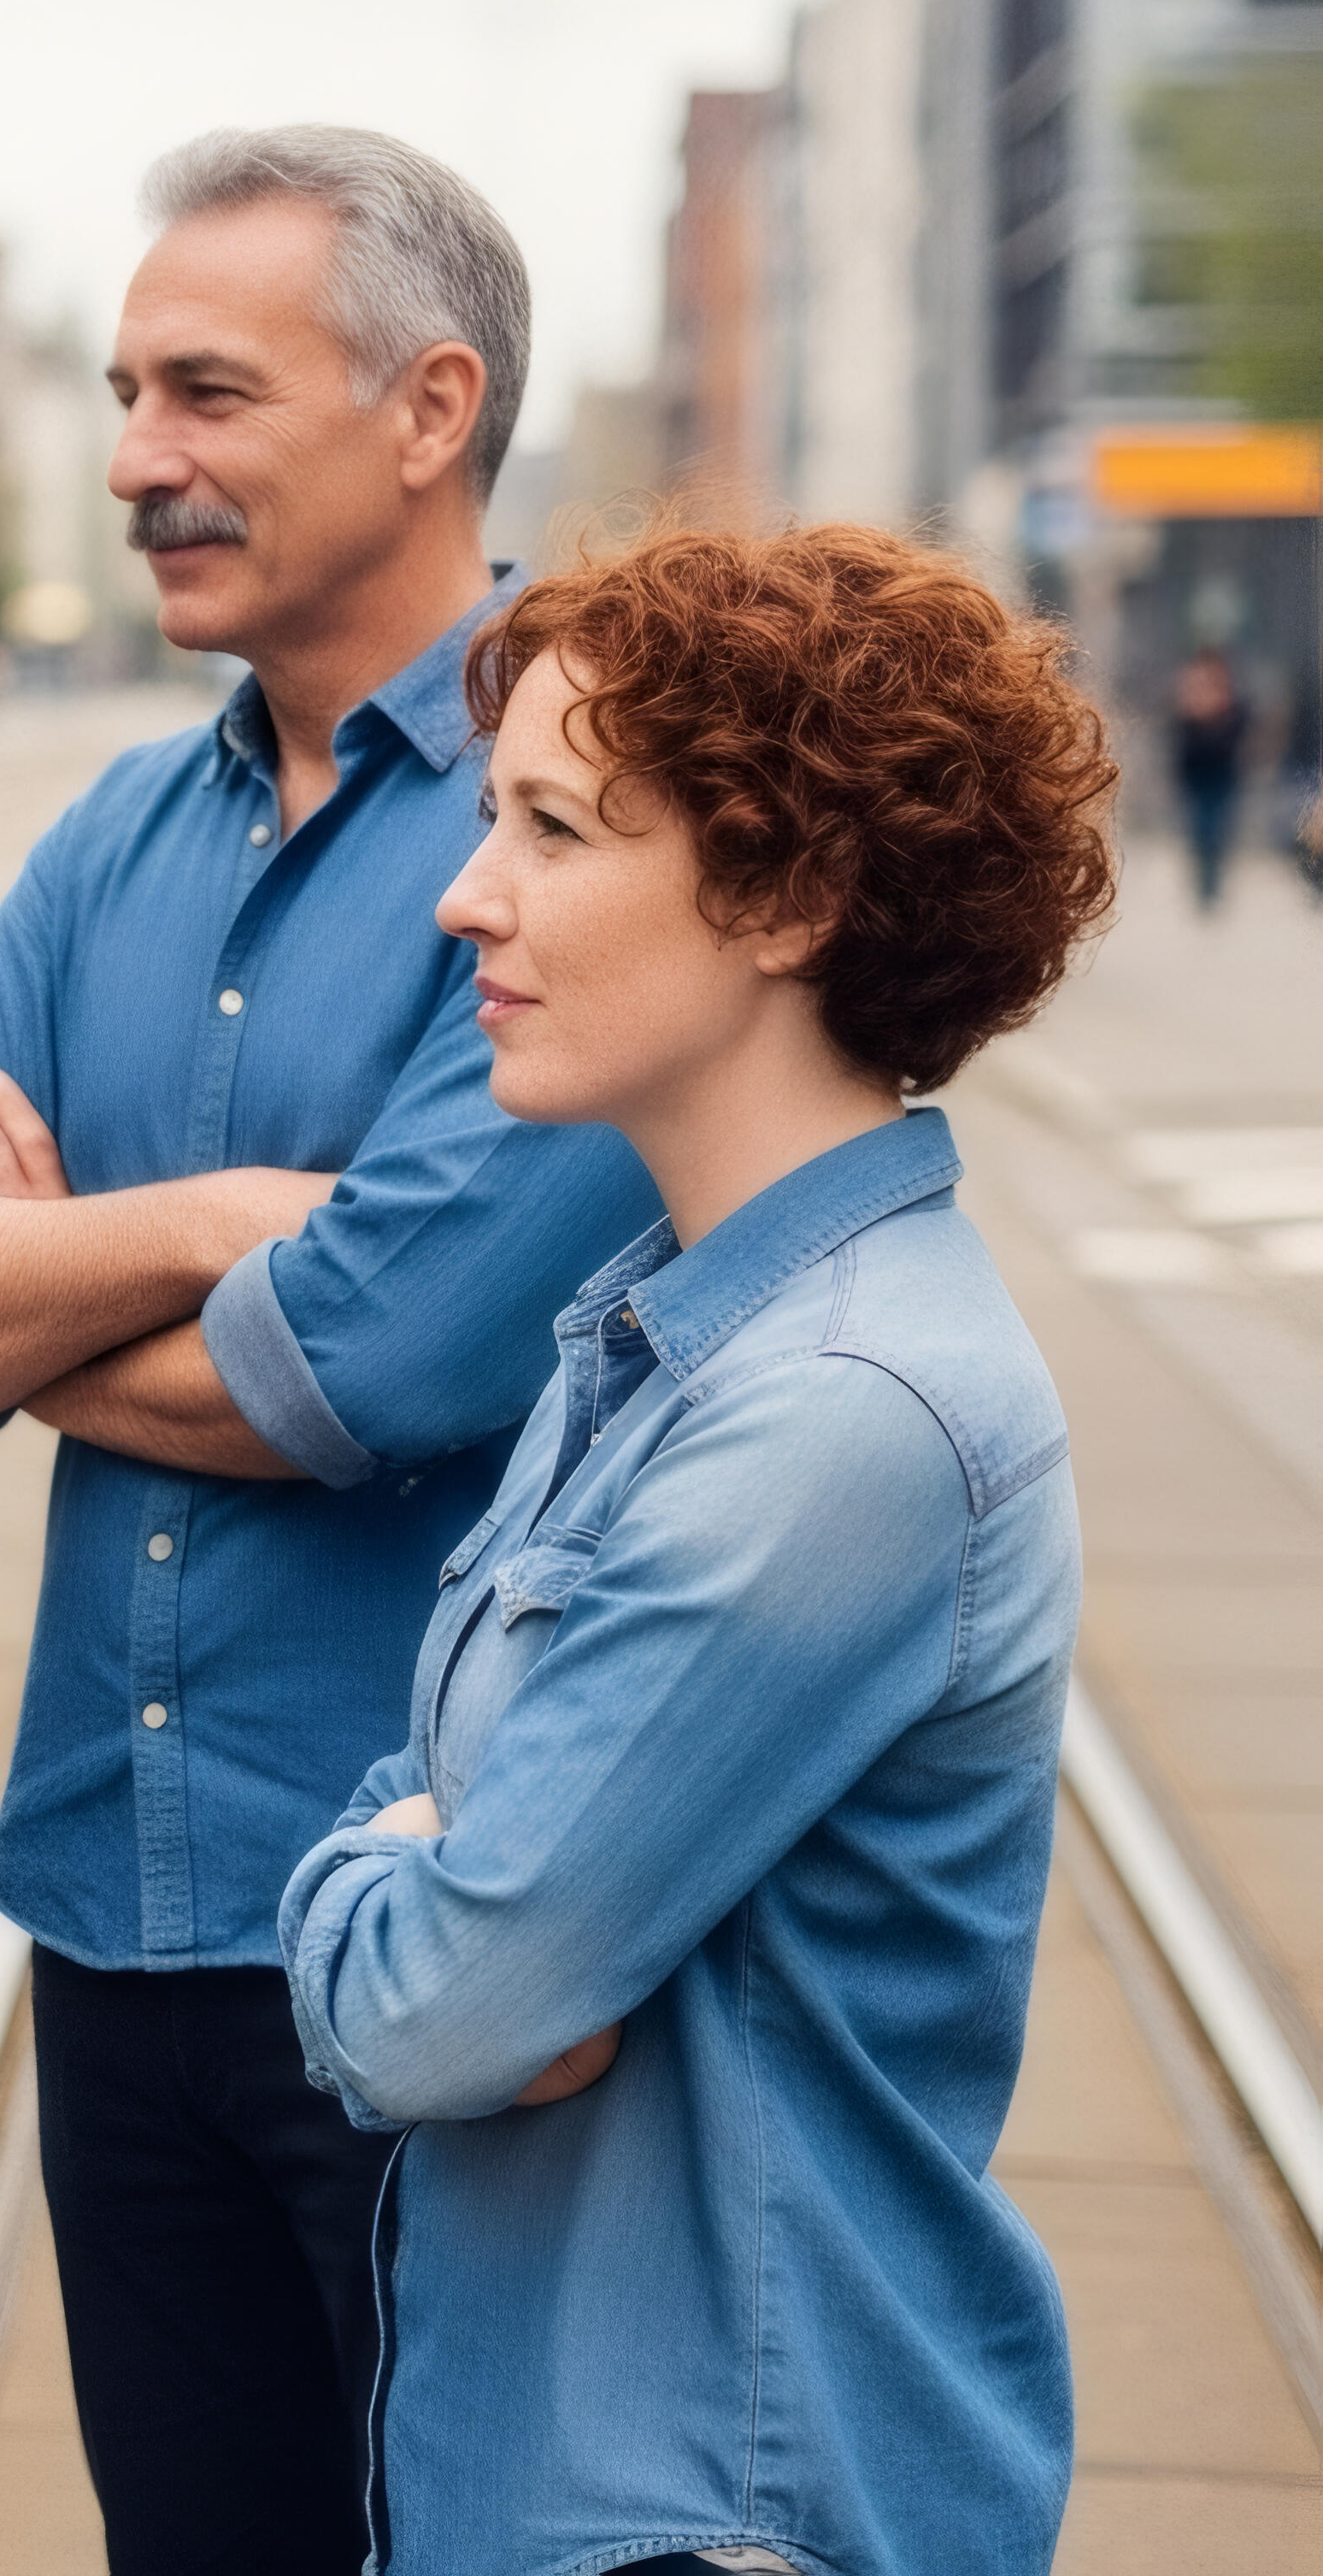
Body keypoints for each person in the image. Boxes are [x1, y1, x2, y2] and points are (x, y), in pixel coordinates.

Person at [0, 128, 660, 2575]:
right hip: (109, 1906)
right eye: (120, 391)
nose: (134, 458)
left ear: (428, 408)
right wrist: (179, 1233)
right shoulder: (105, 844)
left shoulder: (578, 821)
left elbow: (362, 1368)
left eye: (204, 392)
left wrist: (25, 1296)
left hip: (441, 1944)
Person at [282, 524, 1115, 2576]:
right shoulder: (660, 1326)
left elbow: (439, 2017)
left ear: (788, 893)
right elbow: (480, 1948)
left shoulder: (830, 1409)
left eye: (553, 828)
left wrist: (374, 1874)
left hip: (717, 2503)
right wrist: (415, 1867)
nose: (463, 895)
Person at [1170, 642, 1249, 916]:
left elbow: (1241, 730)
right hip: (1196, 772)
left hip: (1222, 771)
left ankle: (1212, 885)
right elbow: (1179, 736)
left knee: (1216, 828)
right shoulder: (1189, 697)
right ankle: (1204, 885)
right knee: (1201, 828)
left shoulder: (1231, 701)